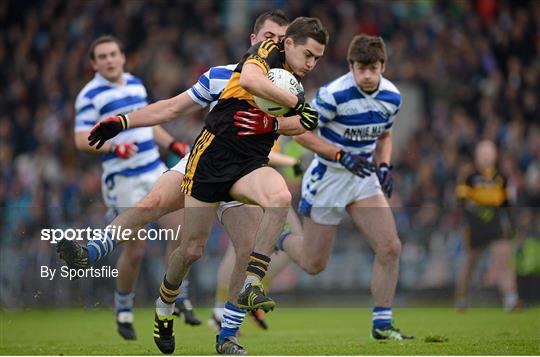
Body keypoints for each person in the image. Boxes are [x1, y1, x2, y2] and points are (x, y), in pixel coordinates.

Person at [57, 11, 305, 354]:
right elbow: (172, 108)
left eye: (279, 39)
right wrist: (123, 122)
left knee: (246, 252)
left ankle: (226, 337)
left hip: (247, 173)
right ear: (253, 40)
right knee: (174, 231)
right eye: (267, 36)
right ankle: (103, 262)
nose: (272, 44)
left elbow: (301, 126)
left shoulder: (288, 88)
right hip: (204, 163)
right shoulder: (223, 77)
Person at [249, 34, 414, 340]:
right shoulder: (333, 95)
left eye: (373, 68)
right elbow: (301, 135)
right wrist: (340, 155)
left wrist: (386, 165)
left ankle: (382, 324)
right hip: (328, 178)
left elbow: (386, 135)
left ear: (383, 66)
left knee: (390, 247)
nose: (367, 75)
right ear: (351, 66)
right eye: (361, 68)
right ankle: (282, 239)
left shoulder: (392, 96)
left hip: (363, 177)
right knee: (314, 265)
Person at [69, 35, 198, 341]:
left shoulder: (136, 84)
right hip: (122, 178)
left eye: (114, 54)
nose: (110, 60)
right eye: (102, 56)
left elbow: (150, 123)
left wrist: (172, 142)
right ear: (94, 63)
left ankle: (177, 296)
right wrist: (113, 148)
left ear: (122, 56)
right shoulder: (90, 95)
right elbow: (79, 139)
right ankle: (123, 308)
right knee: (136, 250)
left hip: (153, 170)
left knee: (182, 234)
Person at [455, 139, 521, 311]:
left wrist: (513, 226)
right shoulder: (469, 175)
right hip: (475, 224)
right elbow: (461, 200)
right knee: (470, 263)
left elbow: (509, 203)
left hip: (496, 222)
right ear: (476, 156)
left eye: (489, 154)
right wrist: (476, 213)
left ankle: (510, 298)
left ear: (495, 155)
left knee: (504, 259)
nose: (486, 157)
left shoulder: (501, 177)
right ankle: (462, 298)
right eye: (483, 154)